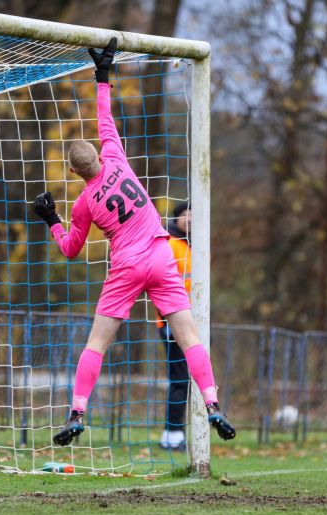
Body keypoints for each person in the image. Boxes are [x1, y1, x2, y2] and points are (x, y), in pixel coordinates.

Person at [32, 38, 235, 447]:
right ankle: (212, 403)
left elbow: (71, 248)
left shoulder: (85, 202)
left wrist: (52, 219)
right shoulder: (117, 157)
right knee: (189, 337)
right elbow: (105, 118)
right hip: (161, 255)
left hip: (126, 264)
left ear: (74, 170)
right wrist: (103, 74)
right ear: (102, 155)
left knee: (97, 343)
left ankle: (76, 414)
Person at [157, 202, 192, 450]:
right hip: (173, 323)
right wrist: (168, 321)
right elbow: (160, 285)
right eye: (185, 216)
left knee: (187, 379)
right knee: (180, 379)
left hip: (190, 324)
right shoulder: (169, 245)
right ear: (177, 219)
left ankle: (175, 432)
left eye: (193, 216)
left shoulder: (195, 248)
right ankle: (172, 435)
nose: (189, 220)